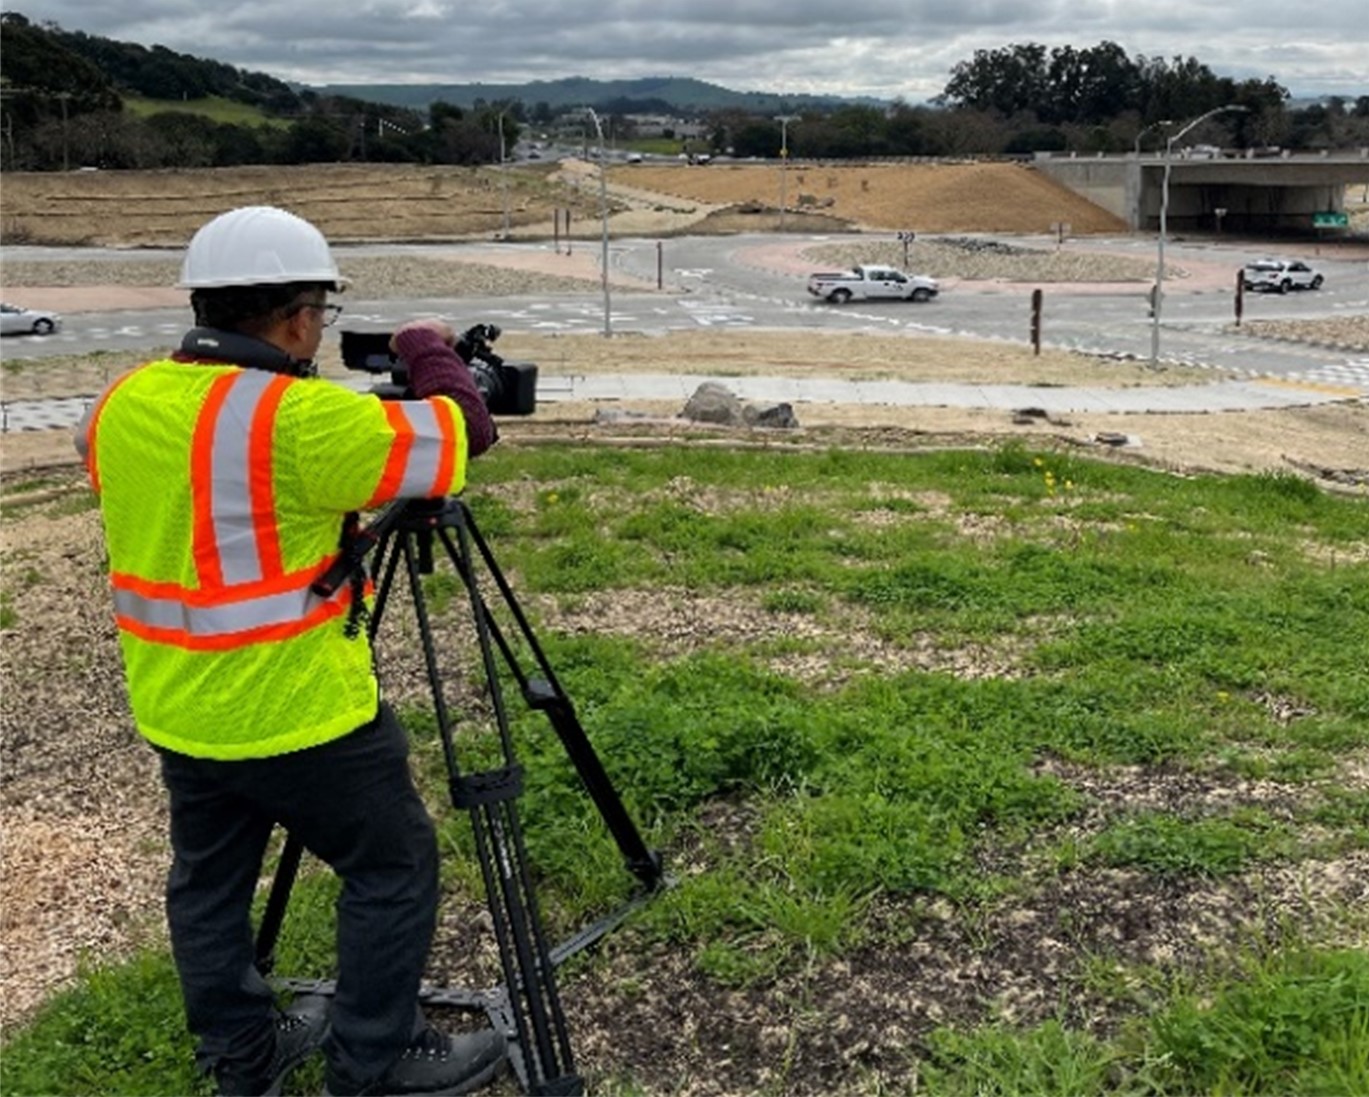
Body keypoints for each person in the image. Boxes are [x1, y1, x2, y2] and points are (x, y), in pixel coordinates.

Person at [75, 206, 507, 1097]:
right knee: (391, 867)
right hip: (300, 711)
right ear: (300, 316)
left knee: (207, 887)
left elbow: (136, 473)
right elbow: (459, 436)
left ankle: (242, 1053)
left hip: (177, 704)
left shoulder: (124, 403)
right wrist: (430, 349)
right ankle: (376, 1057)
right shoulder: (304, 421)